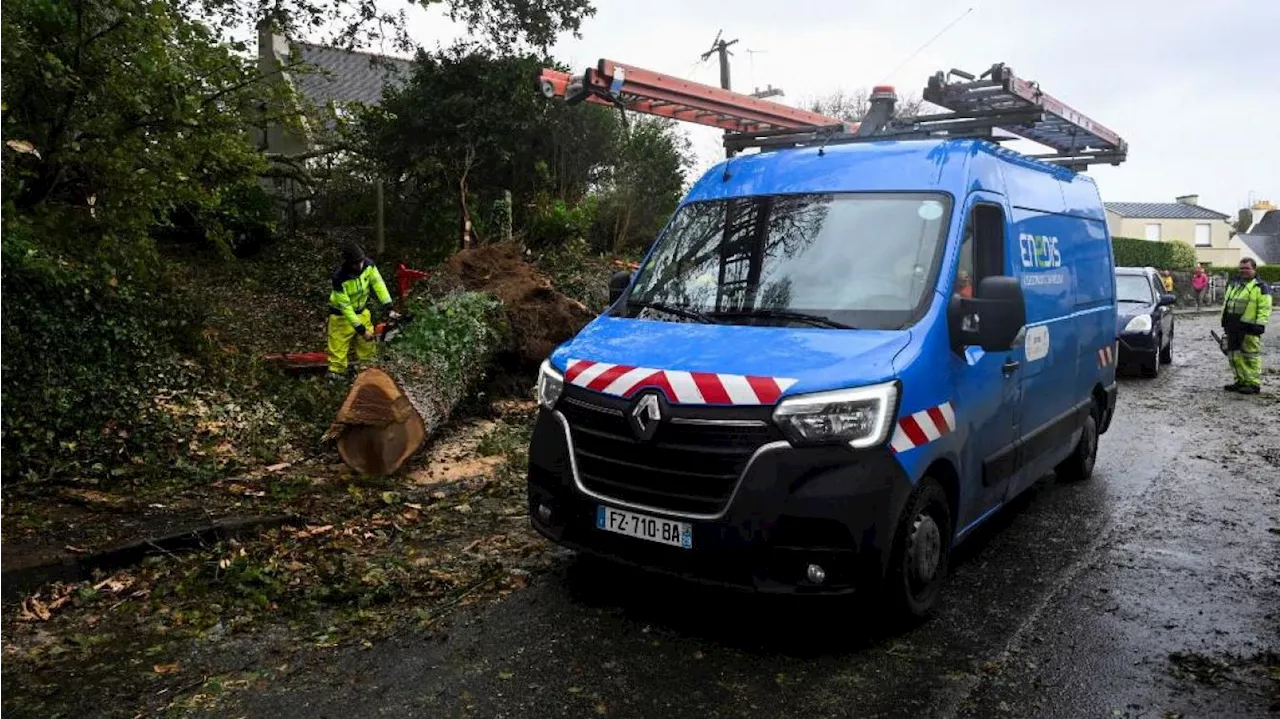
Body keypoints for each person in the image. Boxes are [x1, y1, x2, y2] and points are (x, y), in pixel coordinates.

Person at [327, 241, 396, 379]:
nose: (359, 266)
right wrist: (361, 330)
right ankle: (336, 376)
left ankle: (368, 374)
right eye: (355, 263)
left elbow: (378, 284)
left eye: (361, 261)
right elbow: (346, 308)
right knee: (338, 351)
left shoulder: (368, 265)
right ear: (348, 263)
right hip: (341, 317)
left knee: (368, 349)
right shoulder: (339, 278)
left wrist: (389, 307)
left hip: (362, 311)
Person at [1221, 258, 1272, 395]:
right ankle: (1240, 381)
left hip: (1249, 327)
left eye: (1246, 268)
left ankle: (1253, 384)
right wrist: (1225, 321)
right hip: (1232, 325)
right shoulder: (1235, 284)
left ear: (1254, 269)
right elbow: (1228, 303)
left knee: (1250, 356)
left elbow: (1264, 308)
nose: (1243, 271)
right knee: (1233, 355)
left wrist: (1260, 325)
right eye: (1241, 268)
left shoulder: (1260, 287)